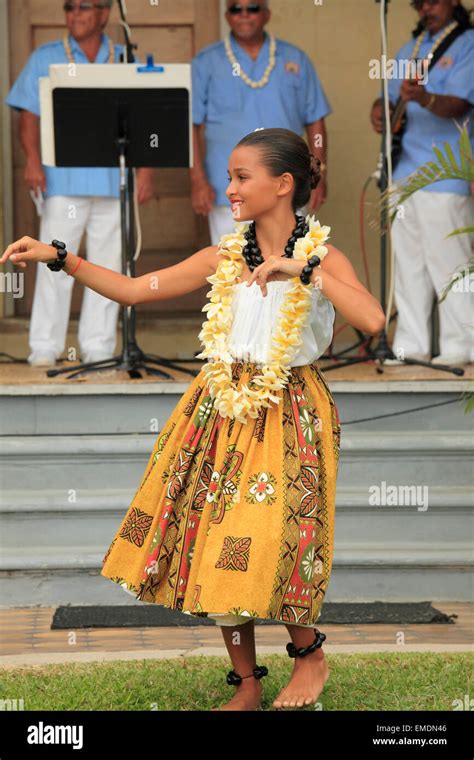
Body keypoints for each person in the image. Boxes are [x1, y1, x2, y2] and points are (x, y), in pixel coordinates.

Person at [1, 128, 385, 711]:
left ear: (282, 185)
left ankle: (309, 658)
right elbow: (133, 290)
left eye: (240, 177)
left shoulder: (322, 257)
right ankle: (247, 683)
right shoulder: (222, 258)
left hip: (289, 410)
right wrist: (62, 257)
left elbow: (373, 320)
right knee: (214, 544)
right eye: (229, 176)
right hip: (218, 410)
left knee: (271, 538)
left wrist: (303, 271)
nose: (228, 188)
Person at [5, 0, 154, 367]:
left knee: (106, 268)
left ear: (104, 14)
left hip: (113, 180)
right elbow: (28, 116)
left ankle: (98, 346)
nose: (74, 14)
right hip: (63, 179)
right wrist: (32, 162)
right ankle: (45, 346)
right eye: (69, 7)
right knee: (52, 262)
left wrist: (145, 172)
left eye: (83, 7)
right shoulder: (47, 56)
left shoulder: (123, 57)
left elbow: (145, 120)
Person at [370, 0, 474, 366]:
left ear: (453, 4)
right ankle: (410, 345)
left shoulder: (468, 44)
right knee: (408, 264)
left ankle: (461, 344)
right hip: (405, 171)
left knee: (450, 262)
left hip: (446, 173)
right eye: (420, 3)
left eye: (433, 1)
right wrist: (381, 110)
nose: (426, 9)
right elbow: (390, 100)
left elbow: (461, 104)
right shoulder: (407, 50)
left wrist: (425, 97)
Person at [191, 0, 330, 245]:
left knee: (293, 270)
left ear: (266, 14)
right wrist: (198, 180)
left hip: (286, 189)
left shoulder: (294, 58)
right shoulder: (206, 62)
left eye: (252, 8)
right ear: (227, 15)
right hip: (230, 192)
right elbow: (191, 126)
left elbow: (315, 121)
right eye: (236, 8)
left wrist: (317, 176)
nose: (244, 15)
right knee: (231, 272)